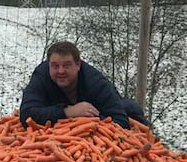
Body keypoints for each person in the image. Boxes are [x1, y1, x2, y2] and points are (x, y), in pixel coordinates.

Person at [19, 41, 148, 129]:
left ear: (78, 65)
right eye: (55, 66)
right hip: (54, 139)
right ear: (49, 65)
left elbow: (121, 121)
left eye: (67, 65)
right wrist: (68, 112)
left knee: (131, 110)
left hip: (96, 131)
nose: (60, 71)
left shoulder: (96, 83)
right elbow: (26, 115)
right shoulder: (41, 77)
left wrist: (88, 120)